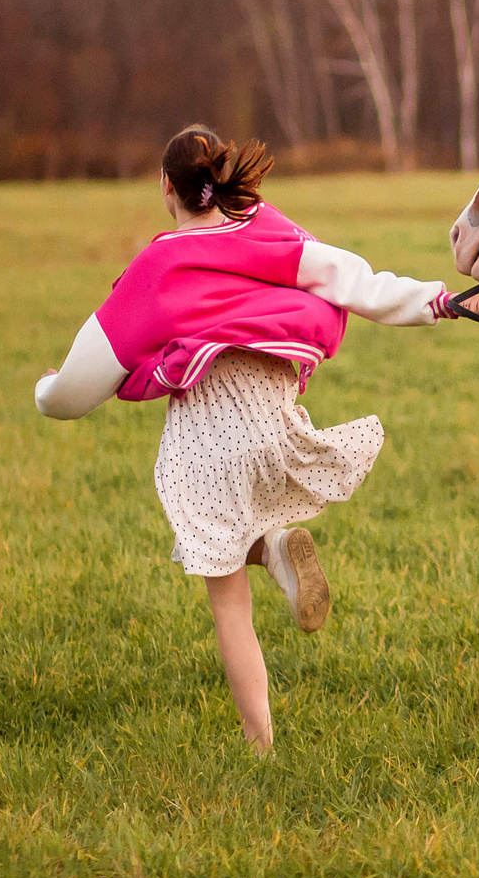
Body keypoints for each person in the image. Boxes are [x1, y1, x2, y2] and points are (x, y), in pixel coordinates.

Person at [33, 125, 456, 751]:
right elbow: (354, 280)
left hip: (206, 433)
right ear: (224, 178)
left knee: (229, 601)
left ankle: (261, 749)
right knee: (238, 523)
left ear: (167, 189)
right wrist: (438, 301)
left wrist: (48, 391)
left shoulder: (157, 267)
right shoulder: (269, 231)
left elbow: (78, 384)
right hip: (275, 419)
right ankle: (277, 549)